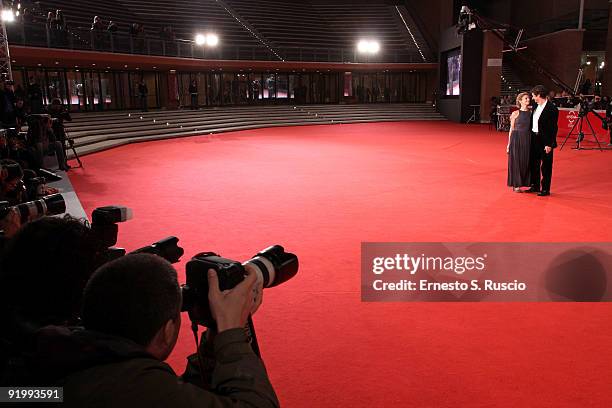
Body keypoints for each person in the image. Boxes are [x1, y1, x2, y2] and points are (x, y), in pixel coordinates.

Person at [16, 254, 280, 407]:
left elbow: (178, 396)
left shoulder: (51, 351)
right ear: (167, 331)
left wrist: (214, 339)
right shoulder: (128, 386)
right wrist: (231, 332)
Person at [528, 85, 558, 197]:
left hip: (545, 140)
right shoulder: (536, 105)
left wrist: (549, 144)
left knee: (546, 166)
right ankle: (535, 185)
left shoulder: (552, 109)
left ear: (539, 95)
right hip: (534, 138)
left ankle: (545, 189)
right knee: (533, 163)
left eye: (533, 96)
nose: (532, 98)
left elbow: (553, 128)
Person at [507, 92, 532, 193]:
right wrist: (508, 144)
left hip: (528, 139)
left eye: (529, 98)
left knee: (525, 161)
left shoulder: (531, 113)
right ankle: (516, 185)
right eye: (525, 98)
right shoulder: (515, 113)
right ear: (520, 101)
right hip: (516, 139)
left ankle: (526, 182)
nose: (528, 100)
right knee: (516, 161)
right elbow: (511, 129)